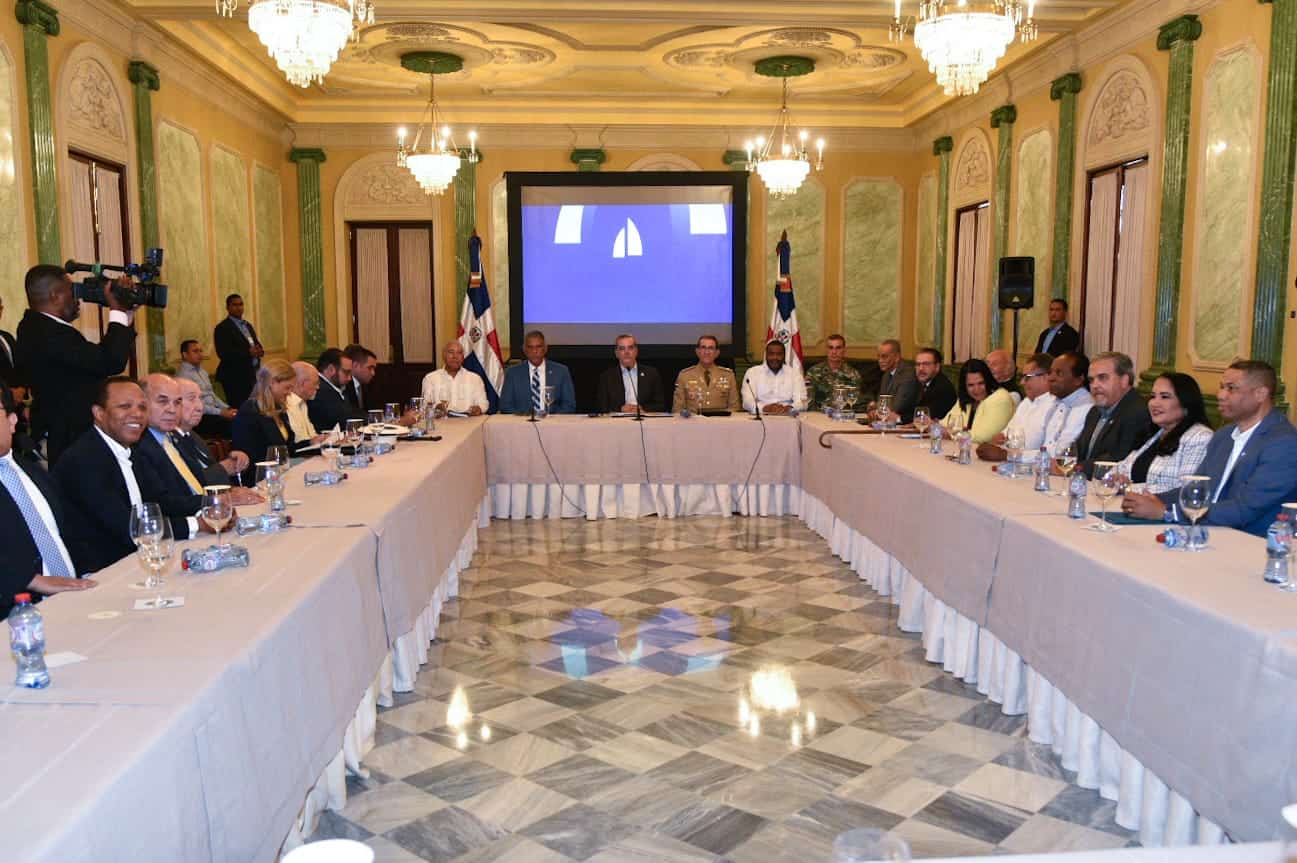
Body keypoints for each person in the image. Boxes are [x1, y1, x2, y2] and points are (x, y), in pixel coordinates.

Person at [54, 377, 212, 574]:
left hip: (138, 557)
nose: (137, 414)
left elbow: (161, 502)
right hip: (103, 571)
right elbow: (128, 528)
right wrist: (196, 523)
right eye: (125, 406)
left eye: (142, 407)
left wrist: (212, 505)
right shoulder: (84, 460)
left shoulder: (130, 450)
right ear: (99, 413)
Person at [1125, 361, 1297, 535]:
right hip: (1208, 531)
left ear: (1260, 394)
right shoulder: (1223, 436)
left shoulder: (1284, 443)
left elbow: (1245, 509)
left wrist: (1167, 512)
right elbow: (1195, 489)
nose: (1221, 395)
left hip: (1254, 545)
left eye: (1231, 388)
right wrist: (1151, 500)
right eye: (1221, 387)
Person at [15, 264, 136, 463]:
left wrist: (125, 314)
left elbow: (96, 362)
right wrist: (116, 309)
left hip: (70, 433)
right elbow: (108, 361)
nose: (77, 298)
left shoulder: (38, 327)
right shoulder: (47, 333)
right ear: (55, 296)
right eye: (72, 291)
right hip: (68, 439)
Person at [0, 381, 94, 616]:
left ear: (12, 421)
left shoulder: (33, 471)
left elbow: (65, 532)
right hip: (17, 617)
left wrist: (87, 575)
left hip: (77, 600)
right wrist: (30, 580)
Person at [1106, 373, 1211, 496]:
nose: (1154, 403)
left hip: (1165, 513)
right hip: (1129, 507)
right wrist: (1115, 479)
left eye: (1165, 397)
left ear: (1186, 403)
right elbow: (1118, 469)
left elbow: (1185, 489)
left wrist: (1128, 488)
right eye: (1153, 396)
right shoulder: (1156, 433)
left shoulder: (1200, 437)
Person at [233, 360, 323, 483]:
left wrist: (311, 442)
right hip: (260, 478)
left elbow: (287, 448)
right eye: (287, 387)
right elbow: (251, 458)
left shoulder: (278, 409)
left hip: (280, 472)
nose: (290, 392)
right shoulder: (250, 412)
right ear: (272, 383)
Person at [1073, 351, 1152, 477]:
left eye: (1102, 378)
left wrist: (1075, 468)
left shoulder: (1137, 412)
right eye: (1091, 380)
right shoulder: (1094, 412)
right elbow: (1079, 450)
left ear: (1124, 380)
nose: (1095, 385)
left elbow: (1117, 460)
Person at [977, 353, 1056, 462]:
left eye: (1027, 377)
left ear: (1046, 377)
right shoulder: (1026, 402)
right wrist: (998, 440)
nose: (1022, 382)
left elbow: (1050, 453)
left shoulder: (1055, 407)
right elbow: (1005, 434)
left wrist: (1006, 454)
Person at [174, 377, 251, 486]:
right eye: (191, 399)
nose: (200, 407)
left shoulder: (192, 435)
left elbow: (208, 468)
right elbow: (187, 485)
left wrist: (234, 461)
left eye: (200, 398)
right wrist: (224, 468)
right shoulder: (168, 442)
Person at [499, 330, 576, 415]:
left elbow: (569, 405)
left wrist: (552, 419)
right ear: (524, 350)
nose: (534, 351)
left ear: (545, 348)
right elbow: (505, 406)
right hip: (522, 425)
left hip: (553, 424)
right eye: (530, 347)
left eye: (538, 347)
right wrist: (524, 418)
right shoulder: (512, 373)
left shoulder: (561, 371)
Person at [942, 358, 1015, 444]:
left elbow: (984, 436)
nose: (977, 389)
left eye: (981, 383)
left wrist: (953, 434)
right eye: (971, 385)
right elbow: (945, 424)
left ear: (988, 381)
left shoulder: (1001, 399)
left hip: (988, 454)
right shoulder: (965, 398)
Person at [175, 339, 236, 437]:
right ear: (185, 355)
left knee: (240, 417)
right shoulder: (183, 376)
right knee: (233, 425)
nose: (200, 354)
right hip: (201, 416)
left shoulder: (202, 372)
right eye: (195, 351)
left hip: (213, 412)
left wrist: (227, 408)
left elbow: (212, 395)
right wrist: (220, 412)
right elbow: (195, 405)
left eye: (200, 351)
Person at [213, 293, 263, 408]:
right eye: (234, 305)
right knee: (241, 409)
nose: (239, 307)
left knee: (254, 408)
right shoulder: (222, 328)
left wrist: (260, 350)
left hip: (252, 374)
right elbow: (223, 353)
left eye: (241, 304)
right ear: (228, 307)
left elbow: (255, 343)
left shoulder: (247, 325)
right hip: (234, 377)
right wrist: (248, 353)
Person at [1041, 352, 1094, 458]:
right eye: (1050, 372)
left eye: (1059, 373)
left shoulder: (1086, 407)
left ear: (1078, 379)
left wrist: (1017, 455)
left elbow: (1062, 453)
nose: (1050, 378)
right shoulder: (1057, 402)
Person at [596, 334, 665, 414]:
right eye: (622, 349)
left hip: (645, 419)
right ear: (616, 353)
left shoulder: (651, 373)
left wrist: (642, 409)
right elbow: (601, 406)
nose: (627, 352)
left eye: (630, 348)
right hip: (617, 422)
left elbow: (660, 404)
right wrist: (620, 409)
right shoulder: (606, 376)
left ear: (636, 351)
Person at [672, 335, 741, 413]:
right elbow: (677, 409)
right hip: (693, 423)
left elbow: (734, 408)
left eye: (711, 348)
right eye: (703, 347)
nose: (707, 352)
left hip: (720, 423)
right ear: (697, 351)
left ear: (717, 353)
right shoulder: (684, 375)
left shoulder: (728, 375)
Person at [422, 341, 489, 416]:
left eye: (459, 353)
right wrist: (435, 407)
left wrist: (479, 409)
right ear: (444, 356)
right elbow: (424, 405)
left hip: (468, 423)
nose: (455, 356)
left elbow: (484, 404)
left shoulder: (475, 379)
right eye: (451, 352)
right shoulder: (430, 378)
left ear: (463, 357)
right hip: (441, 424)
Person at [742, 340, 808, 415]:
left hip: (787, 417)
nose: (775, 357)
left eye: (779, 354)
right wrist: (765, 408)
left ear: (784, 356)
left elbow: (803, 402)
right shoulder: (752, 373)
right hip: (761, 417)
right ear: (766, 355)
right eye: (771, 354)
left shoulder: (794, 374)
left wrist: (790, 407)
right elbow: (747, 402)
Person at [308, 348, 361, 434]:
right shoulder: (321, 389)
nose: (349, 378)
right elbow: (345, 419)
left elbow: (352, 411)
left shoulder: (334, 387)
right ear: (331, 369)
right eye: (346, 372)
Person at [805, 334, 862, 412]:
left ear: (844, 350)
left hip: (842, 416)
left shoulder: (853, 374)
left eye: (838, 348)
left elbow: (856, 402)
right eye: (830, 348)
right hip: (819, 416)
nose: (834, 352)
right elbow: (808, 399)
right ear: (826, 350)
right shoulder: (813, 372)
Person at [873, 339, 918, 423]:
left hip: (904, 423)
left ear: (897, 357)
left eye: (884, 356)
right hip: (888, 422)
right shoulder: (886, 374)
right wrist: (874, 408)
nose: (880, 361)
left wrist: (878, 409)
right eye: (878, 357)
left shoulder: (908, 375)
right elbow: (881, 401)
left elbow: (897, 407)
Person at [912, 347, 957, 422]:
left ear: (937, 367)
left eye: (926, 364)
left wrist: (899, 418)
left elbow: (923, 417)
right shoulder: (920, 383)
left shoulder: (942, 387)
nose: (920, 368)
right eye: (918, 364)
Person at [286, 361, 322, 443]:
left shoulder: (303, 403)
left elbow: (312, 435)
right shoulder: (288, 405)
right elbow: (299, 439)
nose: (318, 387)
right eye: (315, 383)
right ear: (302, 384)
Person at [343, 344, 376, 412]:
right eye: (370, 368)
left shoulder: (365, 385)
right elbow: (351, 413)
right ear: (355, 366)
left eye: (374, 369)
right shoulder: (344, 385)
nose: (373, 373)